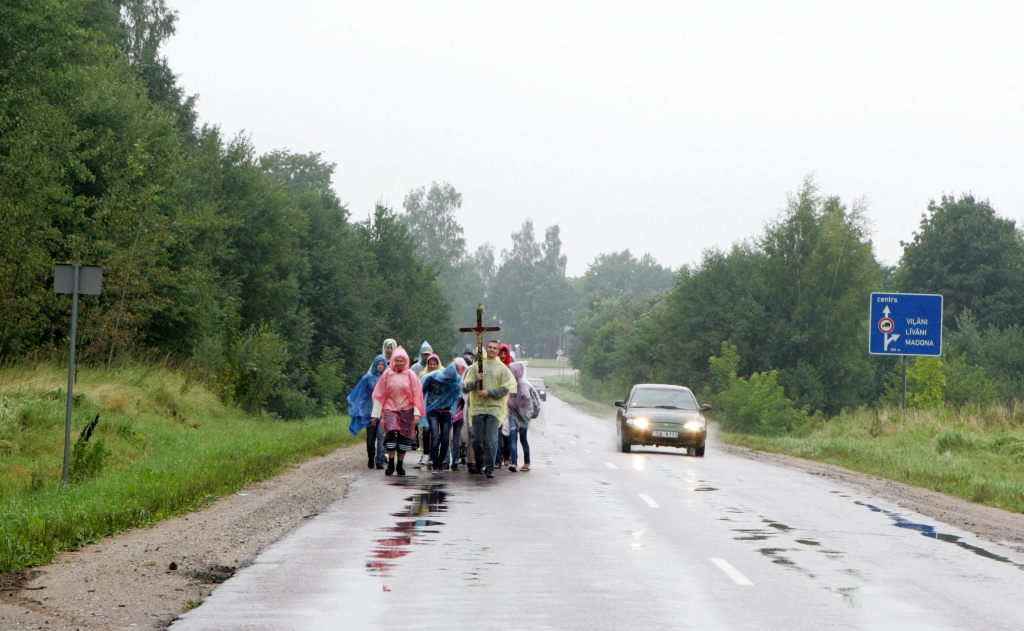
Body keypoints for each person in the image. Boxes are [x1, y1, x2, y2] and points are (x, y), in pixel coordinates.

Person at [462, 339, 517, 478]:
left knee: (492, 440)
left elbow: (506, 389)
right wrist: (476, 381)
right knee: (476, 439)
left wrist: (489, 393)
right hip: (478, 408)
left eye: (494, 348)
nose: (492, 350)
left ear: (498, 351)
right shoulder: (477, 366)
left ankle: (490, 468)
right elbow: (466, 387)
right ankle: (480, 462)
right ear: (486, 349)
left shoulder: (502, 368)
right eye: (490, 347)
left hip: (494, 409)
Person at [370, 346, 425, 476]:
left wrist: (417, 413)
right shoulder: (387, 374)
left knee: (403, 438)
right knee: (392, 433)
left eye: (402, 361)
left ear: (405, 361)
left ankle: (400, 465)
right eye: (397, 360)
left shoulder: (410, 374)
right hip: (390, 408)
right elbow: (379, 394)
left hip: (406, 409)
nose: (399, 363)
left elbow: (416, 394)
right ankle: (390, 464)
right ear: (393, 361)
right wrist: (375, 415)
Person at [347, 355, 388, 469]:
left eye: (382, 365)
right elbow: (361, 394)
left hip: (383, 412)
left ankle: (379, 460)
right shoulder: (367, 378)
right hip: (369, 412)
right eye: (378, 364)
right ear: (375, 365)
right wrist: (359, 408)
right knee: (371, 438)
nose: (380, 367)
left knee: (381, 436)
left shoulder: (387, 378)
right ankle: (371, 458)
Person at [421, 358, 462, 472]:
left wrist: (458, 388)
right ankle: (435, 463)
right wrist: (420, 409)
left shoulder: (455, 381)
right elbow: (423, 392)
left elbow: (458, 393)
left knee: (445, 439)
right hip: (433, 411)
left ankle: (440, 460)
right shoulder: (432, 378)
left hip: (446, 412)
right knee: (435, 437)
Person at [507, 361, 540, 472]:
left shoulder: (522, 384)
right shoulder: (511, 383)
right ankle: (514, 463)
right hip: (512, 414)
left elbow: (526, 399)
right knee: (513, 438)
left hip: (522, 416)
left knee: (522, 438)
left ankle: (526, 462)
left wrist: (517, 406)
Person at [449, 357, 469, 471]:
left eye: (459, 369)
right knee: (448, 438)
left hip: (460, 414)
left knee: (457, 438)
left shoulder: (464, 381)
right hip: (449, 413)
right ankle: (448, 459)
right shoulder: (449, 380)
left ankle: (455, 460)